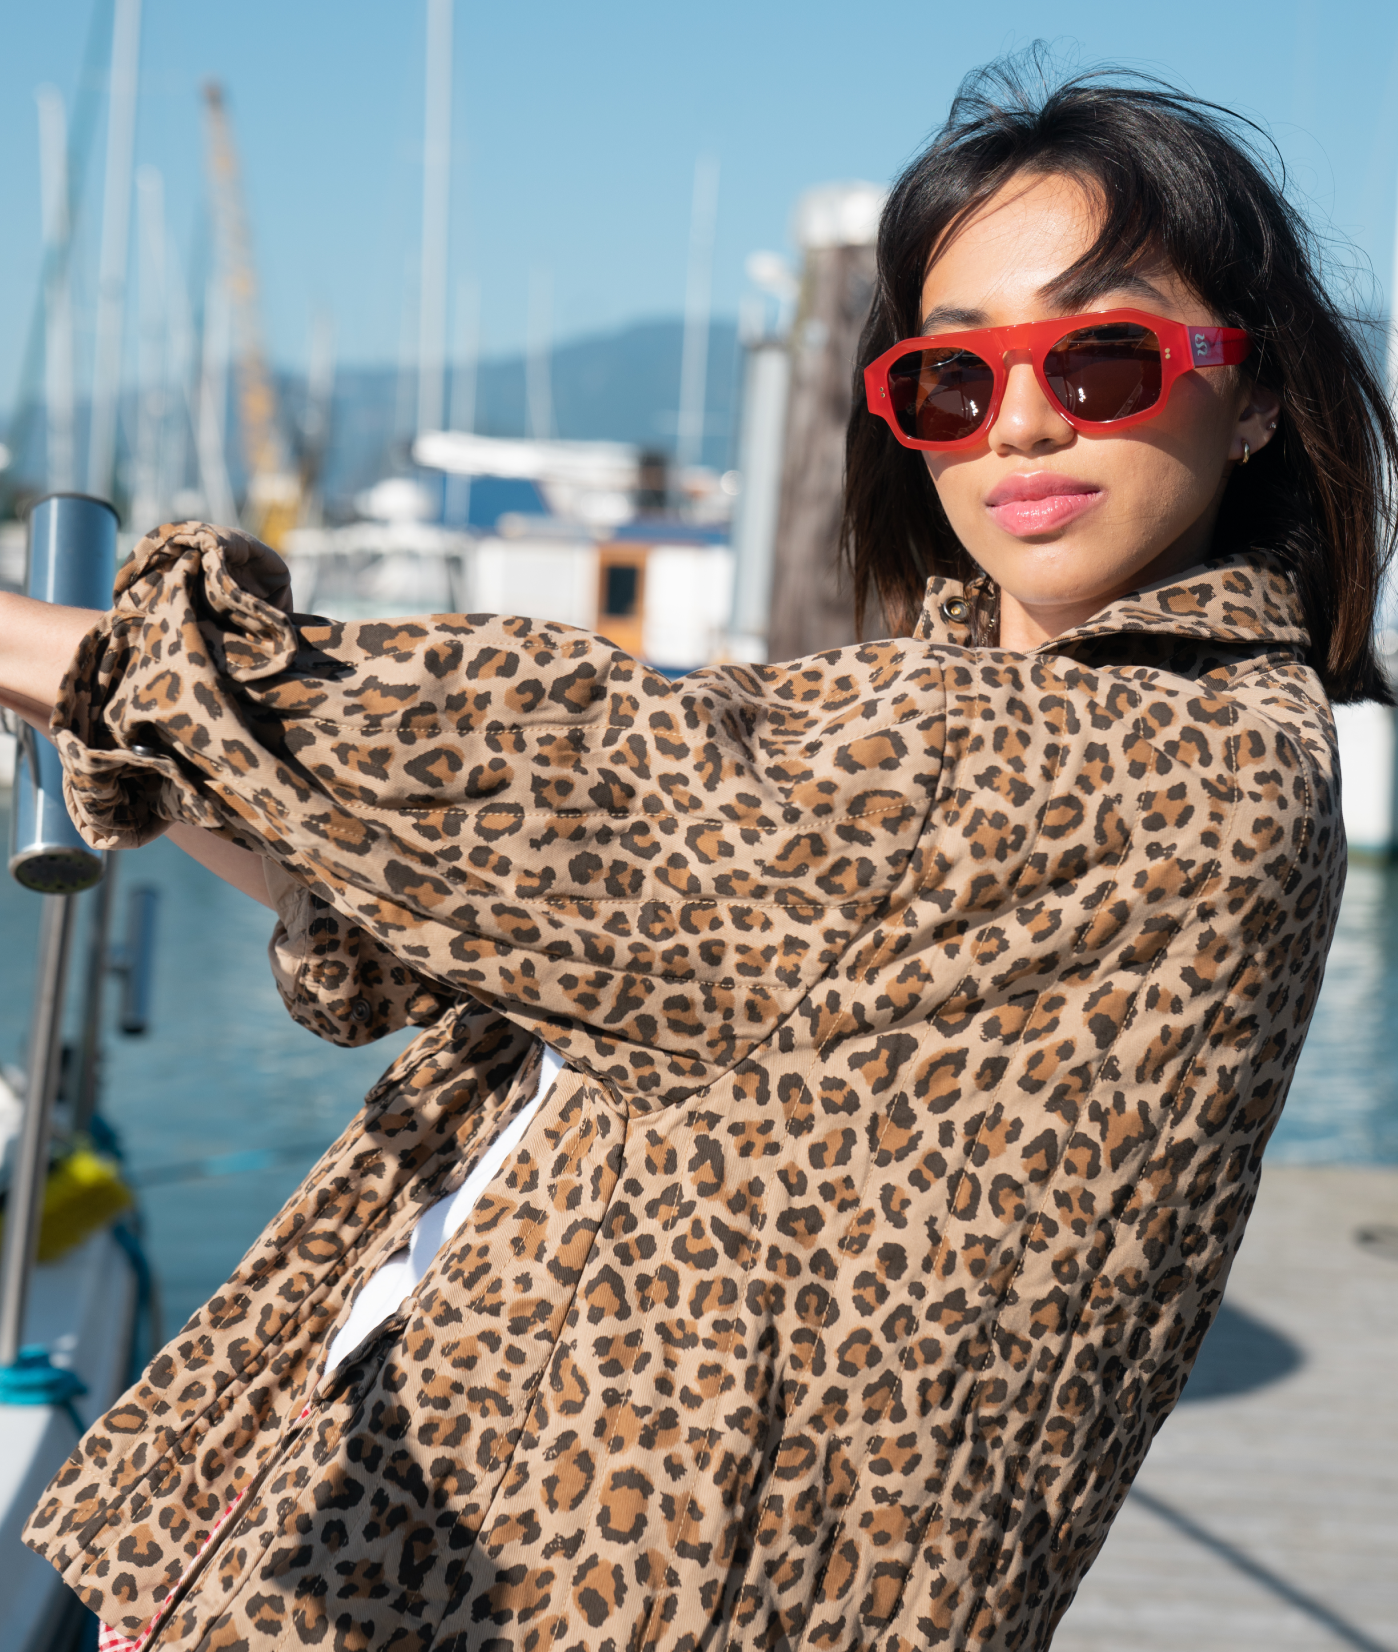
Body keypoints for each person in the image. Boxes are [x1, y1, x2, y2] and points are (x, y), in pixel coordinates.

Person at [4, 53, 1392, 1652]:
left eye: (1100, 360)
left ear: (1257, 390)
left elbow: (557, 771)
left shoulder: (1175, 763)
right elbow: (429, 896)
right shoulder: (928, 733)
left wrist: (73, 653)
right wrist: (143, 734)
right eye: (952, 379)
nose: (1018, 422)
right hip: (381, 1543)